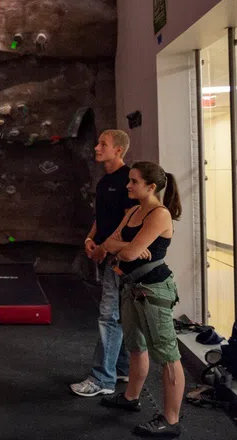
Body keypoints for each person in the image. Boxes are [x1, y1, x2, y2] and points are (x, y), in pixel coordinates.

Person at [98, 162, 183, 438]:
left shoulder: (160, 215)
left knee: (168, 356)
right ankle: (131, 397)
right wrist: (128, 248)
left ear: (151, 187)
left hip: (154, 290)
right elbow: (109, 244)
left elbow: (127, 254)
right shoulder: (134, 210)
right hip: (132, 288)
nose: (128, 185)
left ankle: (171, 420)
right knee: (136, 346)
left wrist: (128, 249)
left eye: (133, 181)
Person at [71, 130, 136, 398]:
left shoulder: (128, 181)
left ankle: (102, 379)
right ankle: (119, 368)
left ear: (118, 150)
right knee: (116, 315)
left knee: (109, 316)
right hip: (107, 253)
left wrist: (105, 248)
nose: (96, 148)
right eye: (97, 142)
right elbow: (103, 217)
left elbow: (127, 221)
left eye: (103, 144)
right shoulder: (103, 182)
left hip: (119, 258)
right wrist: (90, 238)